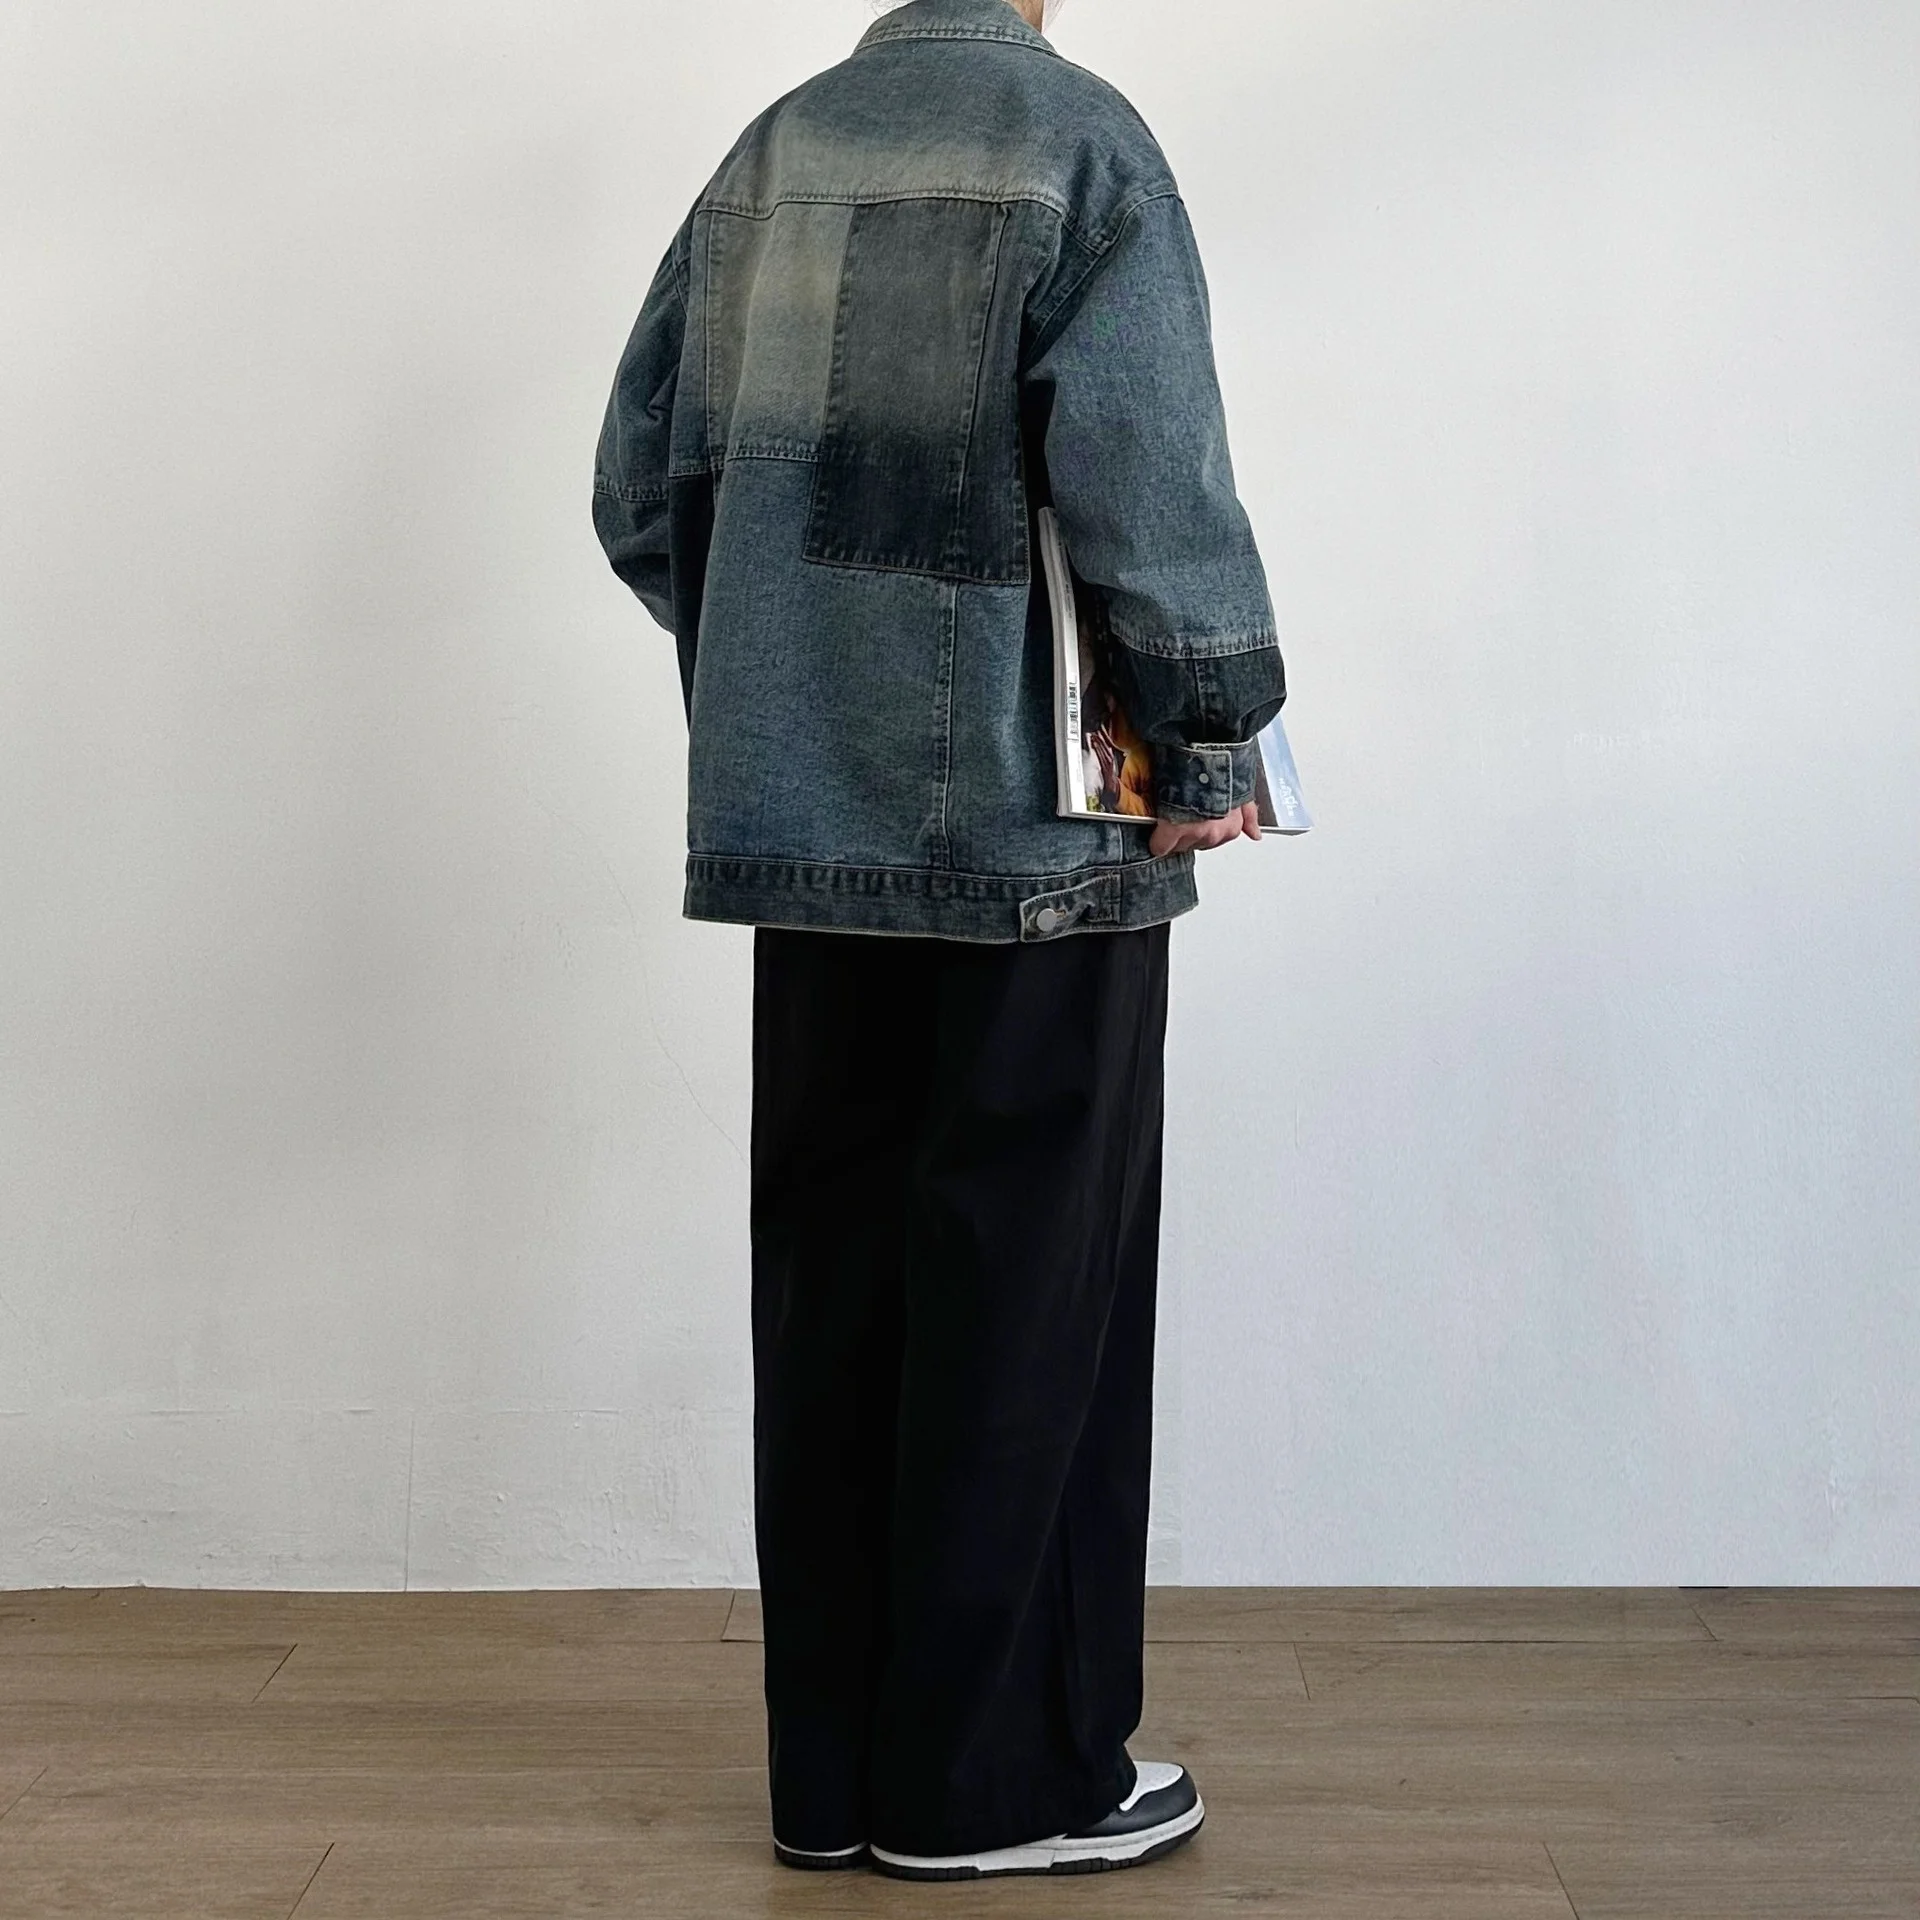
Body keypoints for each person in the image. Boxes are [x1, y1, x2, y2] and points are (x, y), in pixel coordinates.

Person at [592, 0, 1286, 1882]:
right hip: (1035, 837)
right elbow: (1147, 477)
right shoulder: (1080, 142)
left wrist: (785, 680)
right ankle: (997, 1787)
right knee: (1026, 1288)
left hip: (805, 835)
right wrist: (1207, 729)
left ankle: (834, 1784)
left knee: (838, 1289)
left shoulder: (772, 151)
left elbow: (637, 490)